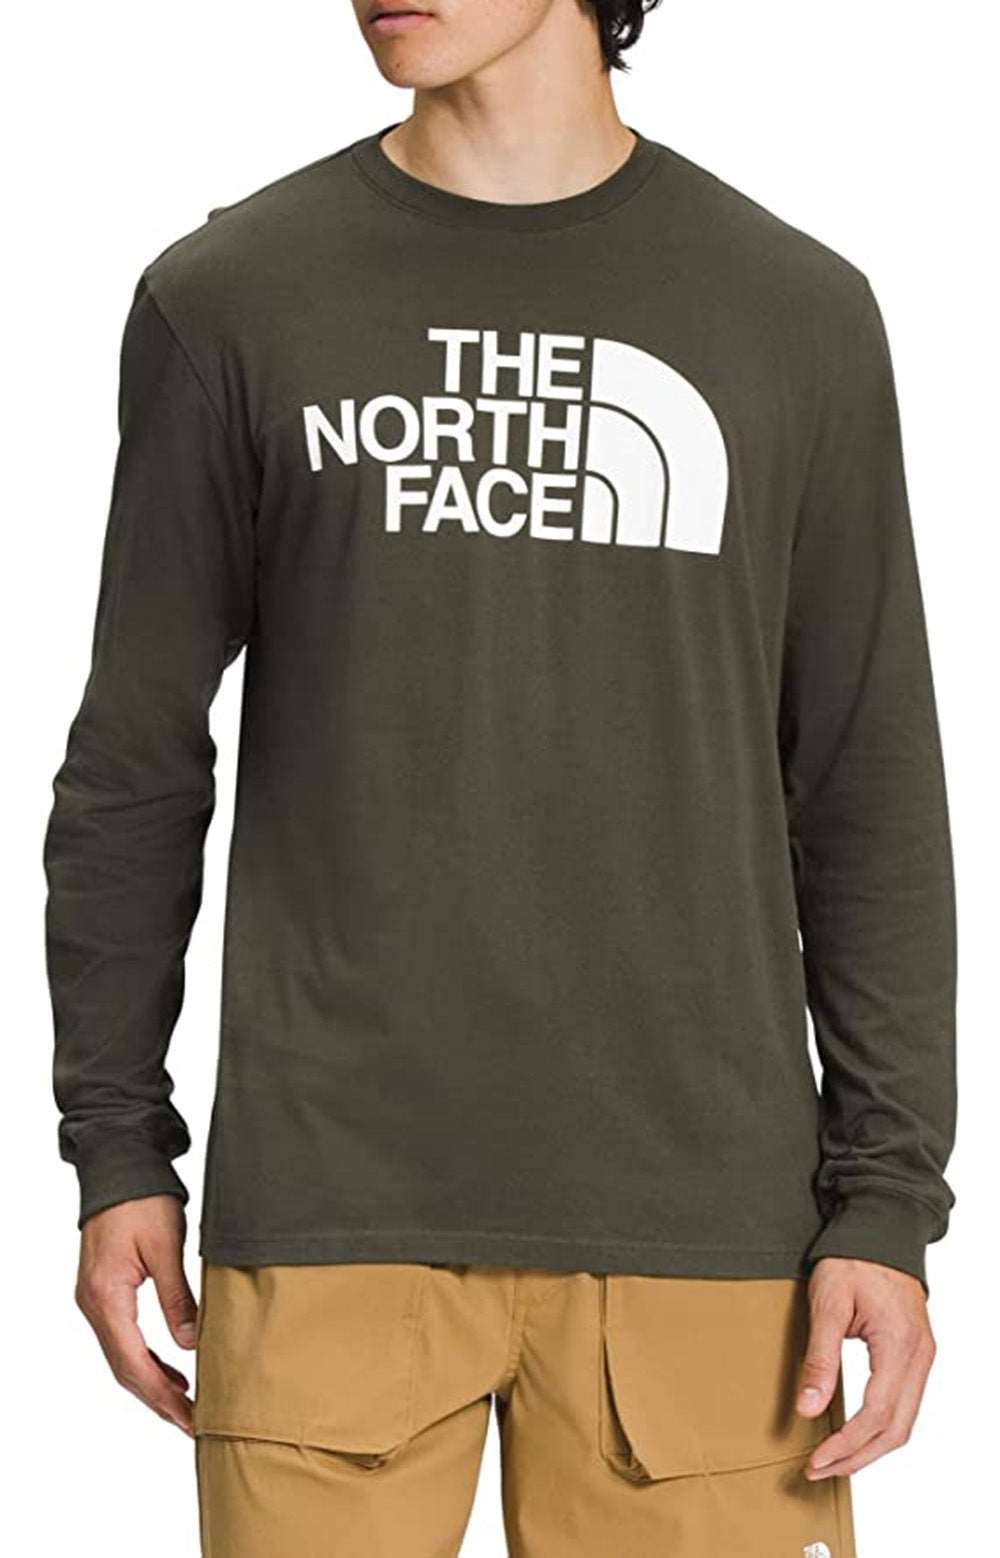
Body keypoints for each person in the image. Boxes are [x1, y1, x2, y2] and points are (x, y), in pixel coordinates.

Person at [43, 1, 956, 1553]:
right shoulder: (233, 298)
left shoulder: (793, 313)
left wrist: (888, 1194)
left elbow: (866, 783)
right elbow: (132, 762)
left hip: (703, 1230)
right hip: (331, 1213)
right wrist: (115, 1143)